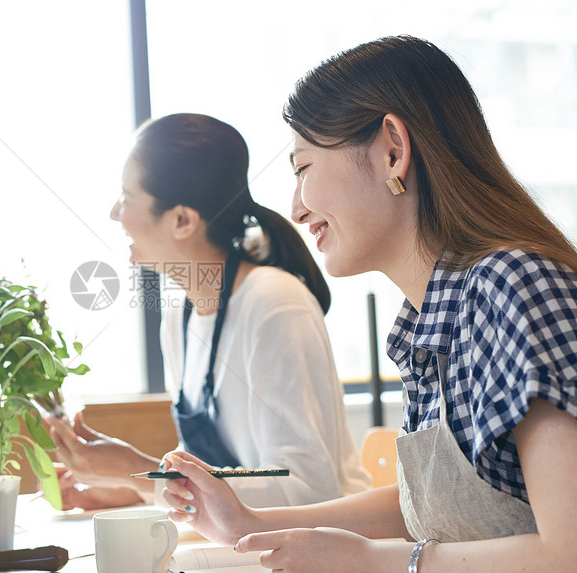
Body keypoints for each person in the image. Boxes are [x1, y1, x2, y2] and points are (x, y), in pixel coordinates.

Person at [160, 35, 577, 572]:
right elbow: (433, 504)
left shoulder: (514, 285)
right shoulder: (431, 317)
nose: (296, 207)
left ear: (392, 151)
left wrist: (374, 561)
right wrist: (248, 525)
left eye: (303, 168)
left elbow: (569, 551)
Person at [48, 113, 370, 511]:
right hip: (245, 543)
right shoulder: (179, 315)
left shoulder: (274, 304)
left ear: (182, 220)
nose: (116, 213)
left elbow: (307, 488)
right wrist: (124, 488)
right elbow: (212, 469)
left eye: (127, 198)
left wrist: (139, 470)